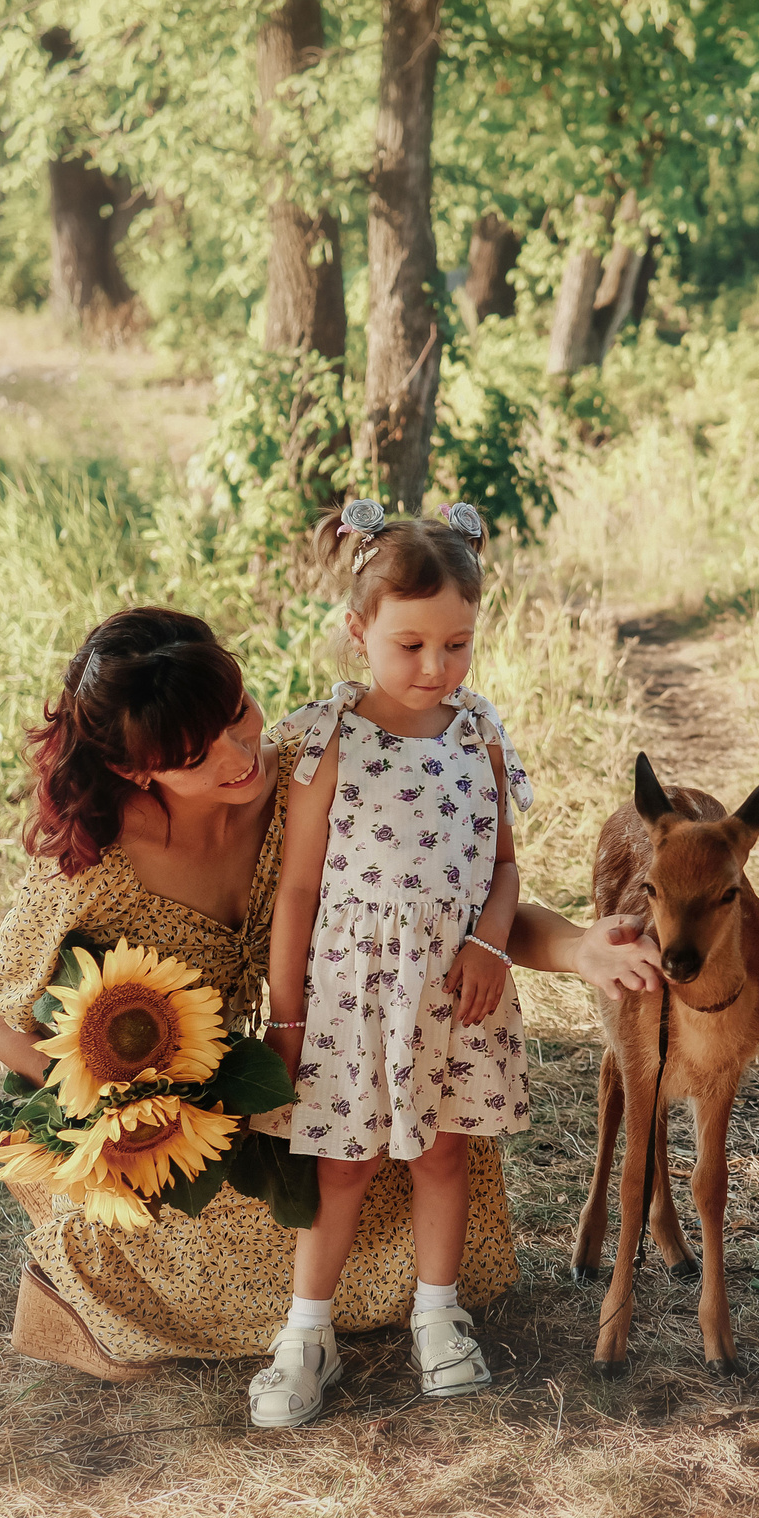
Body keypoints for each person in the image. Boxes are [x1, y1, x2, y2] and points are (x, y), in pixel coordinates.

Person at [0, 602, 658, 1383]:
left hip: (321, 1057)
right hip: (184, 1100)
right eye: (203, 753)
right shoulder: (93, 867)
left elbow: (444, 912)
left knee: (405, 1155)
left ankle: (413, 1307)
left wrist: (577, 948)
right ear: (138, 770)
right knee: (216, 1227)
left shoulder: (312, 763)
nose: (240, 752)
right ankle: (97, 1289)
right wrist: (123, 1117)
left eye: (239, 714)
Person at [249, 499, 533, 1429]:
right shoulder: (335, 740)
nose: (435, 668)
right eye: (410, 645)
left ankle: (437, 1312)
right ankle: (306, 1331)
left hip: (456, 988)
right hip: (351, 993)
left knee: (444, 1151)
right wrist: (286, 1020)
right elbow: (296, 893)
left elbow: (503, 865)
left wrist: (492, 941)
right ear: (358, 630)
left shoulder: (478, 732)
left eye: (457, 644)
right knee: (342, 1164)